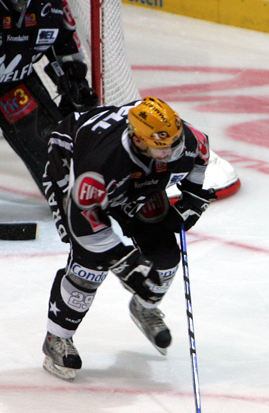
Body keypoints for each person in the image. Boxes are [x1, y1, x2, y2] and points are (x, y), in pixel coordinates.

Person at [40, 97, 216, 381]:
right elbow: (84, 222)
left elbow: (201, 154)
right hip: (71, 160)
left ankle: (143, 308)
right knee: (90, 266)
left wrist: (192, 197)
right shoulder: (101, 163)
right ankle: (57, 339)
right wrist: (123, 261)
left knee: (165, 258)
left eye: (175, 141)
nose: (172, 152)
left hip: (134, 179)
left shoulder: (182, 138)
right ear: (139, 139)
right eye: (163, 147)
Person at [0, 0, 98, 190]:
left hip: (13, 87)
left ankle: (66, 196)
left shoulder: (49, 0)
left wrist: (75, 80)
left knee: (55, 158)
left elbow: (65, 45)